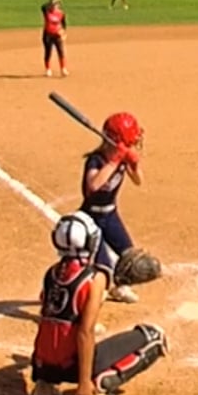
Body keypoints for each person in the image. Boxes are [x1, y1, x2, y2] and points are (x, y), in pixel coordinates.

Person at [30, 213, 169, 395]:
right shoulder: (95, 278)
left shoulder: (51, 273)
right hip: (73, 367)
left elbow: (50, 307)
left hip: (44, 365)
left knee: (56, 327)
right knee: (153, 336)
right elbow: (85, 333)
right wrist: (83, 382)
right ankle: (98, 385)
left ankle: (45, 385)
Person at [81, 112, 145, 303]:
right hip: (90, 217)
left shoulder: (122, 157)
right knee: (103, 262)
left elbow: (138, 181)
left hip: (110, 215)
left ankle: (121, 287)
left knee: (129, 256)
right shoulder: (97, 160)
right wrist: (113, 162)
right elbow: (93, 185)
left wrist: (134, 164)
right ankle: (92, 292)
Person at [41, 0, 69, 78]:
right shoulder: (47, 12)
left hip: (57, 35)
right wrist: (51, 2)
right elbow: (42, 7)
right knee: (48, 52)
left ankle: (63, 69)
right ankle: (48, 69)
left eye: (56, 4)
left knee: (61, 51)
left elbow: (64, 25)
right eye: (52, 4)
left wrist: (63, 33)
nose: (54, 6)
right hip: (48, 35)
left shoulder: (61, 13)